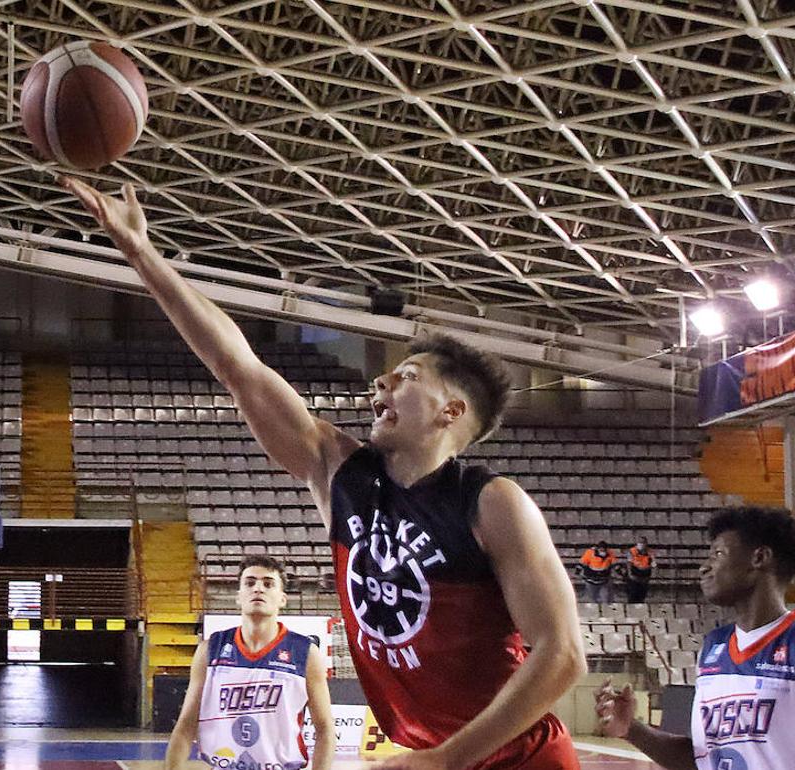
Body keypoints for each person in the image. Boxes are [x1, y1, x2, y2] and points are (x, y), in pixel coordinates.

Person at [65, 178, 586, 770]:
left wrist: (447, 759)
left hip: (517, 758)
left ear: (452, 411)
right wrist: (141, 254)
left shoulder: (491, 502)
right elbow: (237, 365)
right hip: (432, 754)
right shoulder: (342, 473)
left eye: (408, 376)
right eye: (387, 375)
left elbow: (564, 655)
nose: (382, 383)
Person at [595, 506, 795, 770]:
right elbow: (703, 760)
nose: (704, 567)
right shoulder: (713, 649)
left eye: (718, 553)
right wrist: (632, 729)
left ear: (760, 558)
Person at [166, 555, 334, 770]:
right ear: (238, 596)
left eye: (268, 584)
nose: (258, 588)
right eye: (250, 582)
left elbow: (325, 729)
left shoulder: (306, 653)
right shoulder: (210, 649)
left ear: (282, 598)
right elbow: (185, 727)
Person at [625, 536, 655, 603]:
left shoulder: (650, 552)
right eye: (640, 542)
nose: (642, 544)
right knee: (632, 595)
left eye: (643, 542)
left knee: (642, 596)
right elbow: (629, 563)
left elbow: (653, 563)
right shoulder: (632, 551)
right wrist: (630, 574)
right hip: (634, 575)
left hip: (644, 576)